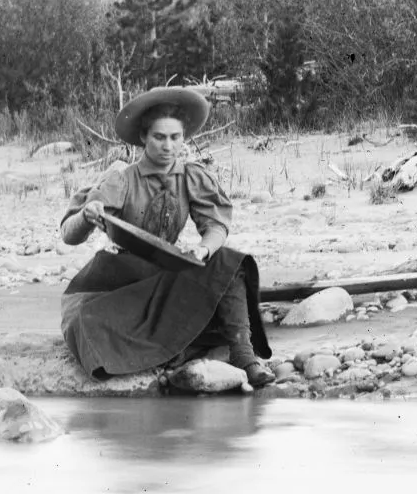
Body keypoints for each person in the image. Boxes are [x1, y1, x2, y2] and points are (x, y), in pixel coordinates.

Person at [58, 87, 275, 389]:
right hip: (122, 278)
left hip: (168, 268)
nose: (168, 146)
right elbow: (69, 236)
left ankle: (245, 357)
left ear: (184, 138)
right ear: (144, 137)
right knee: (86, 321)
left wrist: (204, 249)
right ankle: (174, 351)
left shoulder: (192, 176)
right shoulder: (121, 178)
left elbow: (216, 226)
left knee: (229, 262)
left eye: (175, 137)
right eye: (159, 137)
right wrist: (86, 216)